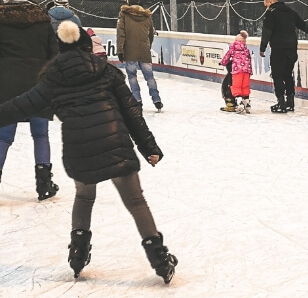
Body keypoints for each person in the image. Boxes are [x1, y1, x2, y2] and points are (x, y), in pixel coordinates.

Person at [0, 21, 177, 283]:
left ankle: (78, 253)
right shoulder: (106, 71)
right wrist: (148, 147)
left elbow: (21, 105)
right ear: (86, 46)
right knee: (136, 201)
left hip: (79, 147)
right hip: (114, 141)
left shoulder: (52, 77)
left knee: (84, 197)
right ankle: (159, 258)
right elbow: (132, 113)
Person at [0, 0, 60, 199]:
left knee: (3, 136)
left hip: (5, 84)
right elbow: (54, 54)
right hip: (38, 84)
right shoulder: (42, 19)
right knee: (40, 134)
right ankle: (44, 184)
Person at [259, 0, 308, 114]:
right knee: (287, 74)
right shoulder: (291, 12)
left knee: (277, 75)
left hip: (278, 48)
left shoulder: (270, 13)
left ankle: (281, 103)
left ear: (269, 2)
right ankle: (290, 102)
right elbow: (304, 26)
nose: (265, 6)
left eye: (265, 3)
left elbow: (267, 32)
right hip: (291, 48)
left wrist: (262, 48)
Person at [117, 0, 162, 111]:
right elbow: (150, 34)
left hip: (130, 51)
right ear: (139, 0)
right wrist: (148, 46)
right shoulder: (147, 15)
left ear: (128, 0)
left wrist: (120, 50)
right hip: (144, 50)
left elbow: (121, 33)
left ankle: (137, 100)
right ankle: (156, 99)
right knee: (149, 77)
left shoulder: (124, 14)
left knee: (132, 77)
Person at [220, 30, 253, 113]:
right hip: (246, 71)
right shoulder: (246, 49)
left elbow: (227, 57)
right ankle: (247, 103)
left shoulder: (233, 47)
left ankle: (239, 102)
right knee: (245, 87)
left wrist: (222, 63)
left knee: (236, 87)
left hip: (237, 70)